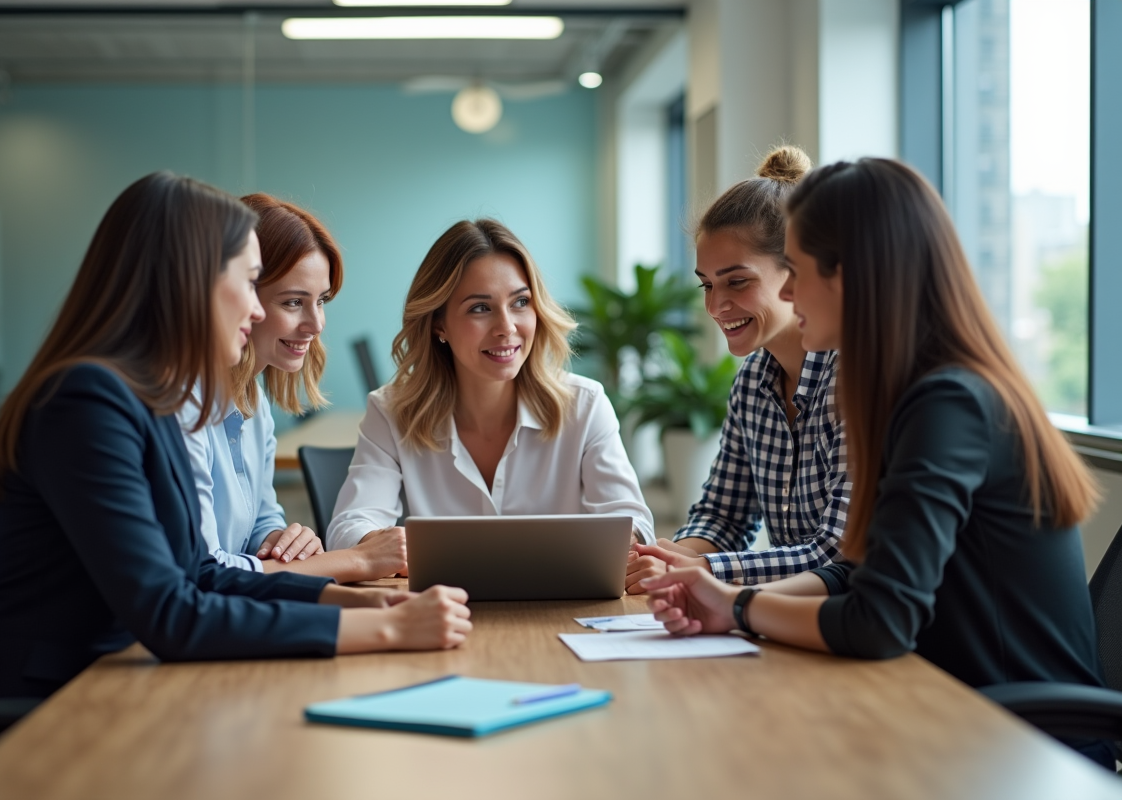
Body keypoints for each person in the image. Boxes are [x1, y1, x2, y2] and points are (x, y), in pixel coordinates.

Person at [0, 174, 471, 779]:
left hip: (118, 693)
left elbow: (203, 573)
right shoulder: (85, 401)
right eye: (247, 282)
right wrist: (386, 626)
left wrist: (354, 602)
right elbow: (172, 612)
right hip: (44, 724)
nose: (255, 307)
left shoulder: (146, 399)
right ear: (186, 283)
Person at [639, 158, 1112, 769]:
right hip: (944, 710)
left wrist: (738, 606)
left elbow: (880, 619)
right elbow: (859, 572)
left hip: (1022, 745)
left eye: (798, 271)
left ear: (854, 276)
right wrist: (720, 600)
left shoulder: (949, 402)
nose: (786, 292)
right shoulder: (905, 390)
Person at [326, 218, 654, 560]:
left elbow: (635, 523)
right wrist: (384, 544)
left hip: (556, 608)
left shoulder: (584, 405)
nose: (507, 327)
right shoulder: (392, 411)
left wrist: (624, 538)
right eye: (480, 308)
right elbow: (349, 528)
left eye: (520, 302)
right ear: (439, 323)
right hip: (441, 606)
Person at [626, 146, 849, 593]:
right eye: (707, 284)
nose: (715, 305)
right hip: (788, 620)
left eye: (737, 281)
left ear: (796, 270)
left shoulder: (851, 375)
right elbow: (723, 515)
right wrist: (666, 557)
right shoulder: (752, 382)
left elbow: (838, 554)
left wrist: (703, 572)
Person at [177, 193, 405, 582]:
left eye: (322, 301)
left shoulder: (254, 402)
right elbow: (202, 571)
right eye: (293, 302)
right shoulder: (184, 401)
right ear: (241, 296)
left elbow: (259, 523)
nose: (316, 325)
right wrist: (355, 560)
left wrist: (282, 539)